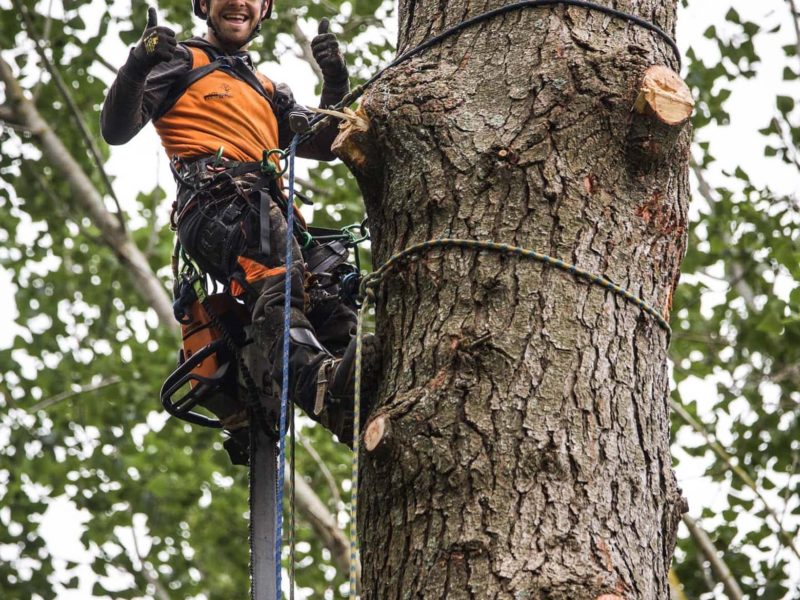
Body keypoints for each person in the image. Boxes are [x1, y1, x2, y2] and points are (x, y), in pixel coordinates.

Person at [101, 0, 379, 447]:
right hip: (217, 206)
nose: (239, 2)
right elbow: (117, 127)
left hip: (267, 211)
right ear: (204, 5)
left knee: (326, 279)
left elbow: (326, 142)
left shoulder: (266, 87)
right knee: (274, 260)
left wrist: (336, 82)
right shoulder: (181, 61)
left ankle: (353, 410)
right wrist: (139, 62)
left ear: (264, 10)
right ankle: (315, 382)